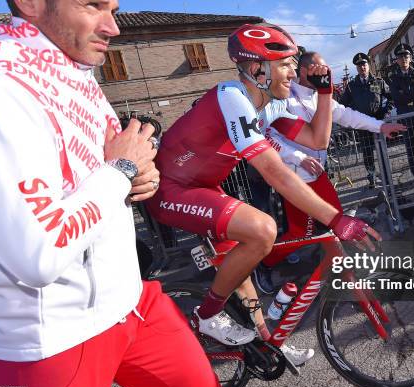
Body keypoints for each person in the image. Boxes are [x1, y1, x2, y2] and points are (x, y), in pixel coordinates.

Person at [0, 1, 223, 387]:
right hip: (47, 344)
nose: (113, 27)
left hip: (132, 302)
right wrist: (121, 170)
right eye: (92, 5)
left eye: (114, 8)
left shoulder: (79, 77)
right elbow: (38, 255)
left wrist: (138, 179)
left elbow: (110, 177)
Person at [147, 23, 381, 361]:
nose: (292, 72)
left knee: (241, 275)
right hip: (171, 189)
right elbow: (273, 170)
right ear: (258, 69)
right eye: (285, 64)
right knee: (262, 229)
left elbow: (318, 140)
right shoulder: (232, 96)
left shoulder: (270, 105)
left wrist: (326, 92)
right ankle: (206, 315)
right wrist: (335, 218)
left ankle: (270, 345)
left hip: (204, 187)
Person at [252, 50, 406, 294]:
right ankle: (263, 263)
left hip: (318, 174)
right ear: (303, 71)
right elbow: (266, 135)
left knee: (336, 221)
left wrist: (381, 126)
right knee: (300, 232)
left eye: (326, 68)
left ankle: (353, 271)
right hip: (294, 179)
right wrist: (298, 157)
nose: (325, 72)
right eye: (319, 68)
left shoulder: (319, 96)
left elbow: (347, 115)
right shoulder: (283, 96)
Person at [340, 53, 394, 186]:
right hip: (362, 124)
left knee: (382, 150)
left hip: (378, 122)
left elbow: (391, 97)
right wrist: (352, 116)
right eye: (359, 66)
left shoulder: (378, 82)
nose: (362, 68)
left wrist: (386, 111)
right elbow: (343, 104)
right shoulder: (352, 86)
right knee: (367, 152)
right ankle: (372, 177)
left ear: (368, 66)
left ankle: (387, 178)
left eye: (364, 64)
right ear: (357, 68)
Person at [387, 44, 414, 185]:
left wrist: (405, 93)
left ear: (410, 58)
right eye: (401, 57)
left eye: (406, 56)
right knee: (411, 148)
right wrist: (412, 94)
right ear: (397, 61)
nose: (404, 59)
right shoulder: (394, 78)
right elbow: (396, 97)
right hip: (404, 118)